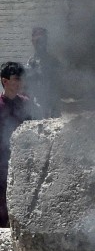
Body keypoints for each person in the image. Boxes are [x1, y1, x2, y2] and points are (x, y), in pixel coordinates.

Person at [1, 62, 37, 228]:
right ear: (5, 81)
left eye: (21, 80)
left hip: (22, 166)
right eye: (15, 79)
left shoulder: (26, 103)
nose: (19, 83)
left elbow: (35, 128)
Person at [24, 27, 59, 119]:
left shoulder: (54, 62)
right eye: (37, 41)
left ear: (46, 41)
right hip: (36, 106)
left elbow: (58, 86)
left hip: (52, 105)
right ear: (33, 42)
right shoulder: (30, 63)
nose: (40, 44)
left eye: (42, 40)